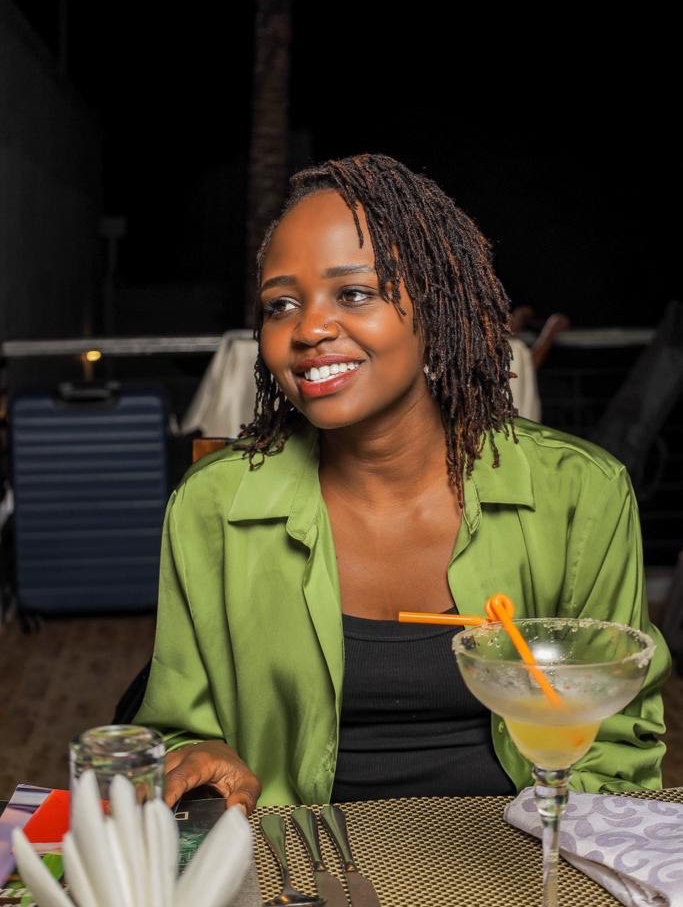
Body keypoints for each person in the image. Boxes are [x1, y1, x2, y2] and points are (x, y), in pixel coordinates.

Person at [134, 154, 669, 812]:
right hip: (300, 862)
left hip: (521, 861)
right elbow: (180, 733)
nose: (307, 329)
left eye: (353, 293)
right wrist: (199, 759)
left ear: (436, 308)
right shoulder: (212, 505)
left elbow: (616, 746)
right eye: (281, 304)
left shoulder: (579, 495)